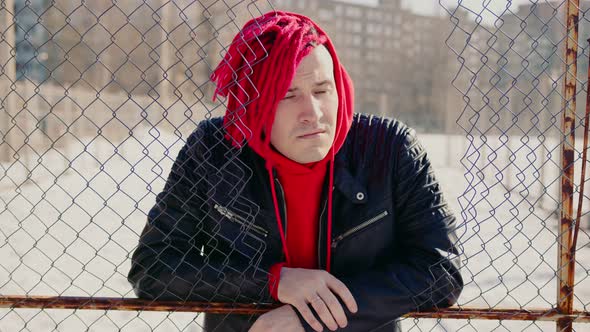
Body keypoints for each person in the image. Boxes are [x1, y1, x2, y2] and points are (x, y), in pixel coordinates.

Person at [128, 11, 463, 332]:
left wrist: (314, 321)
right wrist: (272, 281)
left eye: (321, 90)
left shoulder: (389, 149)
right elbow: (154, 269)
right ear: (254, 103)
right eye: (288, 95)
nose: (312, 113)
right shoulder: (215, 151)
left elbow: (440, 270)